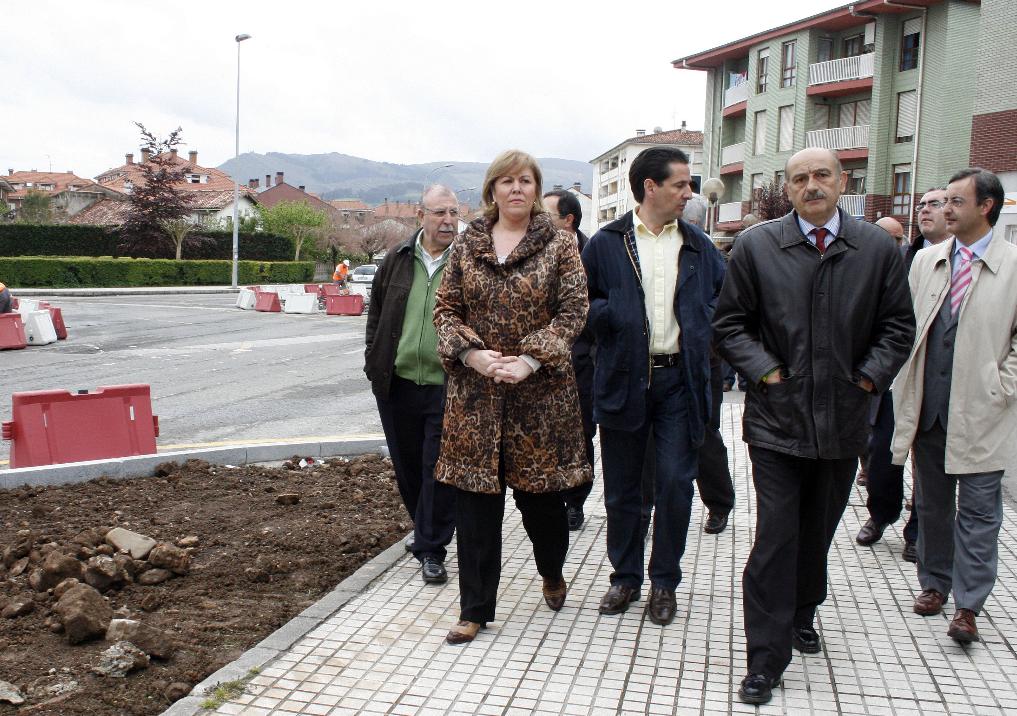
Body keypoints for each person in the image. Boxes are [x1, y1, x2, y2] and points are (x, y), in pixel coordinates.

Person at [714, 147, 914, 705]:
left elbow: (898, 326)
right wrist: (768, 373)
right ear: (789, 187)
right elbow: (729, 325)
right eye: (799, 178)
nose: (812, 185)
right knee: (776, 537)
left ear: (842, 180)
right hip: (777, 421)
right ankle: (764, 659)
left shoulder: (876, 247)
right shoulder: (758, 245)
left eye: (822, 175)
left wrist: (868, 380)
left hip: (844, 419)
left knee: (818, 530)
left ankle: (803, 611)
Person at [433, 150, 591, 645]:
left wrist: (530, 359)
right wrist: (473, 355)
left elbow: (573, 310)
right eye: (506, 181)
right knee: (475, 507)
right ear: (492, 190)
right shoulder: (467, 244)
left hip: (539, 399)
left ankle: (551, 570)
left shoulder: (560, 245)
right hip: (476, 397)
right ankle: (474, 609)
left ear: (536, 188)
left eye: (525, 180)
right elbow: (445, 310)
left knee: (541, 506)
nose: (516, 189)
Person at [582, 147, 725, 626]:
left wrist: (708, 341)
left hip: (680, 384)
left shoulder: (700, 246)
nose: (690, 193)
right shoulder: (606, 243)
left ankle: (664, 582)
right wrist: (615, 316)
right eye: (681, 185)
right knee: (622, 490)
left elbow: (724, 307)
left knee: (676, 484)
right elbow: (580, 307)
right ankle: (624, 577)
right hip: (624, 381)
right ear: (650, 187)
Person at [891, 168, 1017, 644]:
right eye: (944, 202)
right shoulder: (927, 261)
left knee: (981, 511)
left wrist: (1001, 387)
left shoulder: (1013, 265)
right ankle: (934, 583)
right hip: (929, 406)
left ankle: (968, 605)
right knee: (933, 504)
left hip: (983, 411)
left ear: (985, 207)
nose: (944, 210)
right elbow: (907, 323)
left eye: (955, 203)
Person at [364, 185, 459, 584]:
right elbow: (378, 313)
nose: (448, 221)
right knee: (407, 468)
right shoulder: (397, 259)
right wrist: (373, 359)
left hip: (447, 384)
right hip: (397, 382)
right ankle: (424, 528)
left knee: (436, 468)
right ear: (421, 216)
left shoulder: (467, 262)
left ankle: (432, 548)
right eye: (439, 213)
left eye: (453, 213)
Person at [857, 189, 951, 561]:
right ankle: (881, 514)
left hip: (940, 382)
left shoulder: (964, 262)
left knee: (929, 466)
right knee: (881, 455)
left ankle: (917, 532)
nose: (924, 210)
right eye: (922, 204)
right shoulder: (902, 257)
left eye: (936, 204)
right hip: (895, 376)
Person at [639, 192, 735, 537]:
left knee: (705, 433)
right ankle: (645, 509)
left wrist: (700, 325)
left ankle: (719, 503)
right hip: (655, 364)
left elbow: (723, 300)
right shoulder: (644, 242)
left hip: (700, 360)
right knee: (649, 442)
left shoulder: (704, 249)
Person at [543, 188, 595, 531]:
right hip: (541, 361)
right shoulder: (536, 253)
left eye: (546, 216)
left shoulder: (594, 254)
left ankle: (575, 501)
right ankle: (549, 497)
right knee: (547, 435)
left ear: (568, 221)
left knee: (580, 434)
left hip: (583, 361)